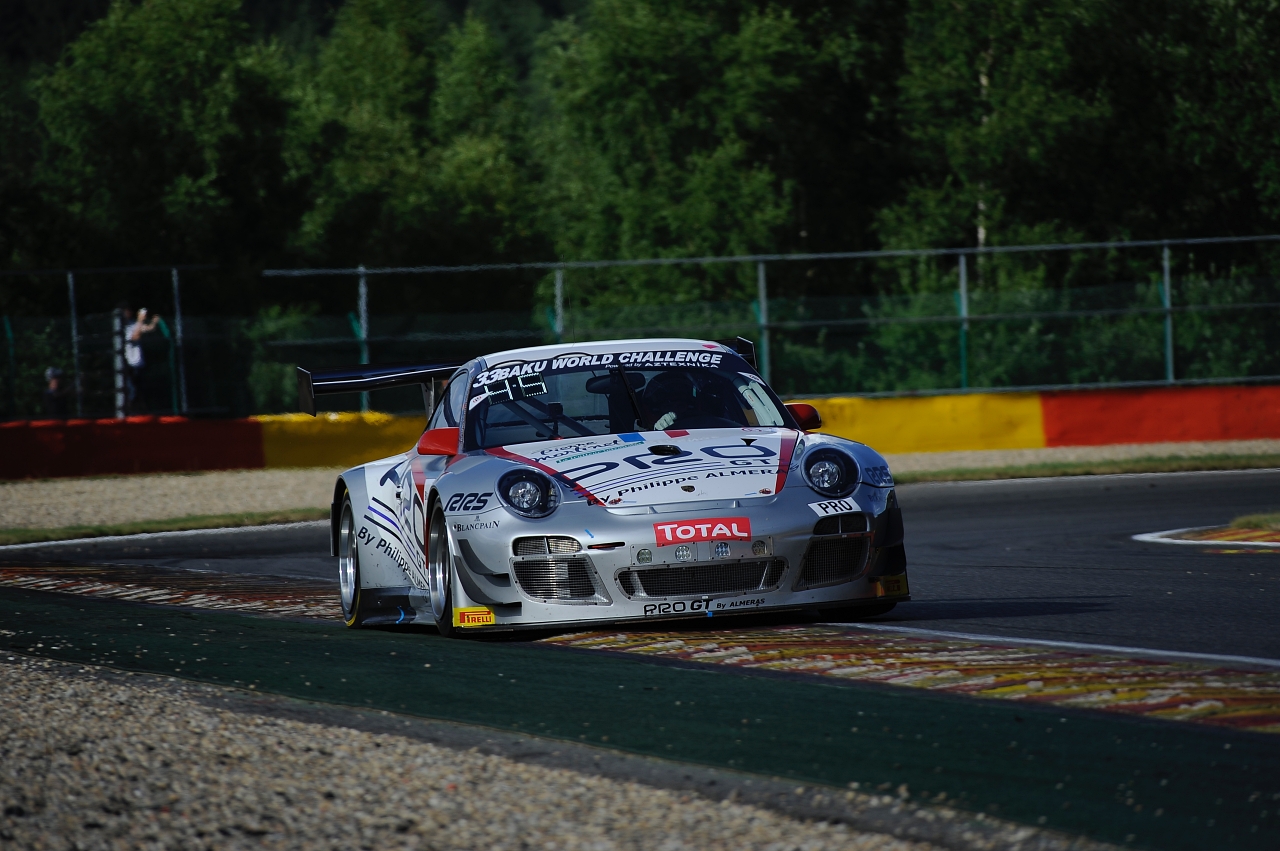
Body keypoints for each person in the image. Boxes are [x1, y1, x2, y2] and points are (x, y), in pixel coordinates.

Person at [119, 302, 160, 412]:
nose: (129, 312)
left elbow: (148, 328)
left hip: (138, 363)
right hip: (130, 364)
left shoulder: (133, 323)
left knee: (140, 390)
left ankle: (139, 411)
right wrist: (140, 319)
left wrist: (154, 321)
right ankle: (129, 411)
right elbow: (135, 336)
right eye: (126, 310)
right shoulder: (122, 328)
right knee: (131, 391)